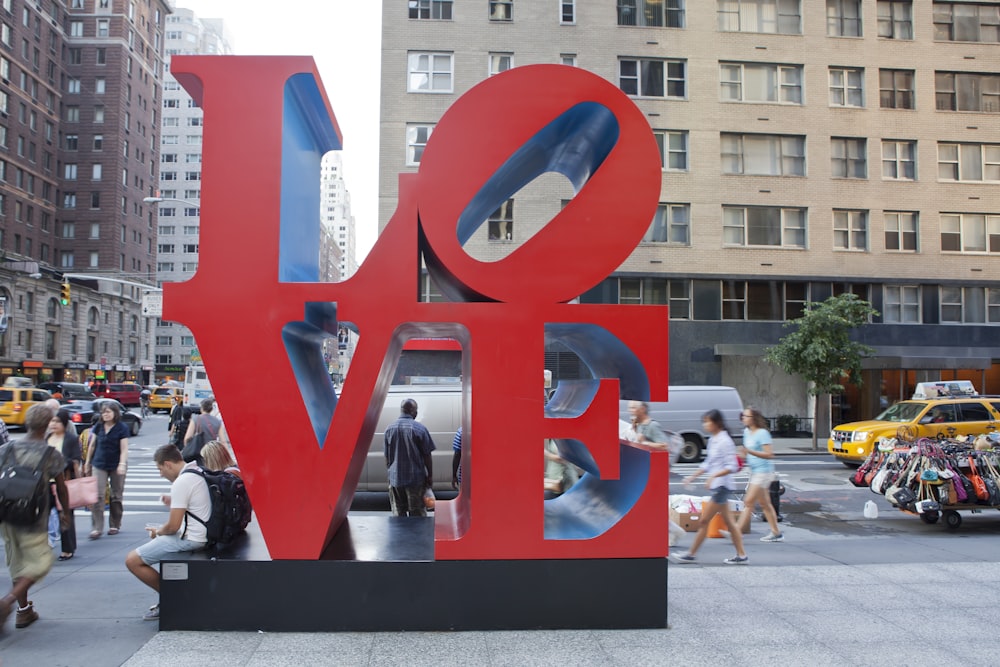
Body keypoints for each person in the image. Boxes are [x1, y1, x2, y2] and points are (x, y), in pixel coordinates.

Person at [0, 403, 70, 631]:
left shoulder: (7, 449)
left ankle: (23, 611)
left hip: (6, 514)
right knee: (40, 563)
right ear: (47, 425)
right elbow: (61, 488)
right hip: (33, 518)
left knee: (17, 562)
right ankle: (7, 603)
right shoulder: (51, 454)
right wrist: (64, 514)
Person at [124, 445, 210, 621]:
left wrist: (158, 532)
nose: (160, 474)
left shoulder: (181, 482)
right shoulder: (196, 471)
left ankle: (171, 598)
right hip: (201, 532)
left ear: (168, 464)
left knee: (132, 560)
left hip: (192, 538)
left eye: (160, 469)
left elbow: (172, 526)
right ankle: (171, 597)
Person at [670, 409, 748, 565]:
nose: (705, 425)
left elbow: (732, 466)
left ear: (716, 423)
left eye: (708, 421)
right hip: (719, 486)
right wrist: (693, 476)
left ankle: (691, 554)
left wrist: (714, 476)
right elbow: (708, 464)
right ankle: (741, 555)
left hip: (721, 486)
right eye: (704, 421)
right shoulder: (713, 439)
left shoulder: (725, 441)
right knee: (730, 523)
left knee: (704, 521)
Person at [627, 401, 686, 547]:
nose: (631, 410)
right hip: (644, 471)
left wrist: (645, 443)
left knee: (649, 505)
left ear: (643, 409)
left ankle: (673, 530)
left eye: (634, 407)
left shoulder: (652, 425)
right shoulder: (639, 424)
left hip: (654, 473)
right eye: (630, 408)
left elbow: (664, 446)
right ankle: (671, 530)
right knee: (646, 505)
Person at [732, 407, 783, 542]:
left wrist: (750, 452)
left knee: (748, 502)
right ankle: (776, 532)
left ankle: (736, 532)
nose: (743, 418)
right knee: (765, 503)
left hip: (764, 472)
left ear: (753, 418)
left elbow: (769, 454)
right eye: (743, 416)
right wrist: (740, 458)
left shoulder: (762, 433)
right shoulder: (746, 432)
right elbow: (745, 451)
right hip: (754, 471)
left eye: (746, 416)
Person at [83, 402, 130, 539]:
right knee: (98, 496)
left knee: (116, 495)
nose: (106, 415)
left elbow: (124, 448)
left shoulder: (122, 428)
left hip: (116, 464)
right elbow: (92, 445)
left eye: (108, 412)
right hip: (99, 463)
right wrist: (87, 462)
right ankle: (97, 527)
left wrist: (122, 464)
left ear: (115, 413)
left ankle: (115, 524)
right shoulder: (99, 427)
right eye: (104, 412)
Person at [383, 398, 435, 517]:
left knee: (398, 516)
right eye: (416, 410)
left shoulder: (389, 429)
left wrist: (390, 474)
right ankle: (416, 536)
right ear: (413, 411)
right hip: (415, 480)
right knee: (417, 515)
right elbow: (427, 455)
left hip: (395, 479)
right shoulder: (420, 429)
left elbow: (387, 456)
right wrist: (430, 475)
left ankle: (399, 536)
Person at [47, 410, 83, 561]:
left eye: (57, 421)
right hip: (46, 483)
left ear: (64, 424)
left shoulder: (71, 439)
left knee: (65, 515)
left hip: (64, 482)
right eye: (51, 421)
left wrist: (59, 462)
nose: (53, 424)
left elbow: (76, 458)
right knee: (43, 516)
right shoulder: (47, 438)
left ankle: (67, 549)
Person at [451, 426, 462, 490]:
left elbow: (457, 455)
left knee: (466, 499)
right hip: (482, 476)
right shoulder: (485, 429)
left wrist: (454, 476)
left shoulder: (461, 431)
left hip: (465, 476)